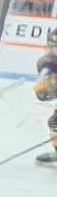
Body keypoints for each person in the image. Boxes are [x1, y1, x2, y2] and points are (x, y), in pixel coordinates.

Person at [35, 30, 57, 165]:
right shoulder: (51, 63)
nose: (52, 51)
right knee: (55, 122)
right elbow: (42, 94)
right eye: (51, 47)